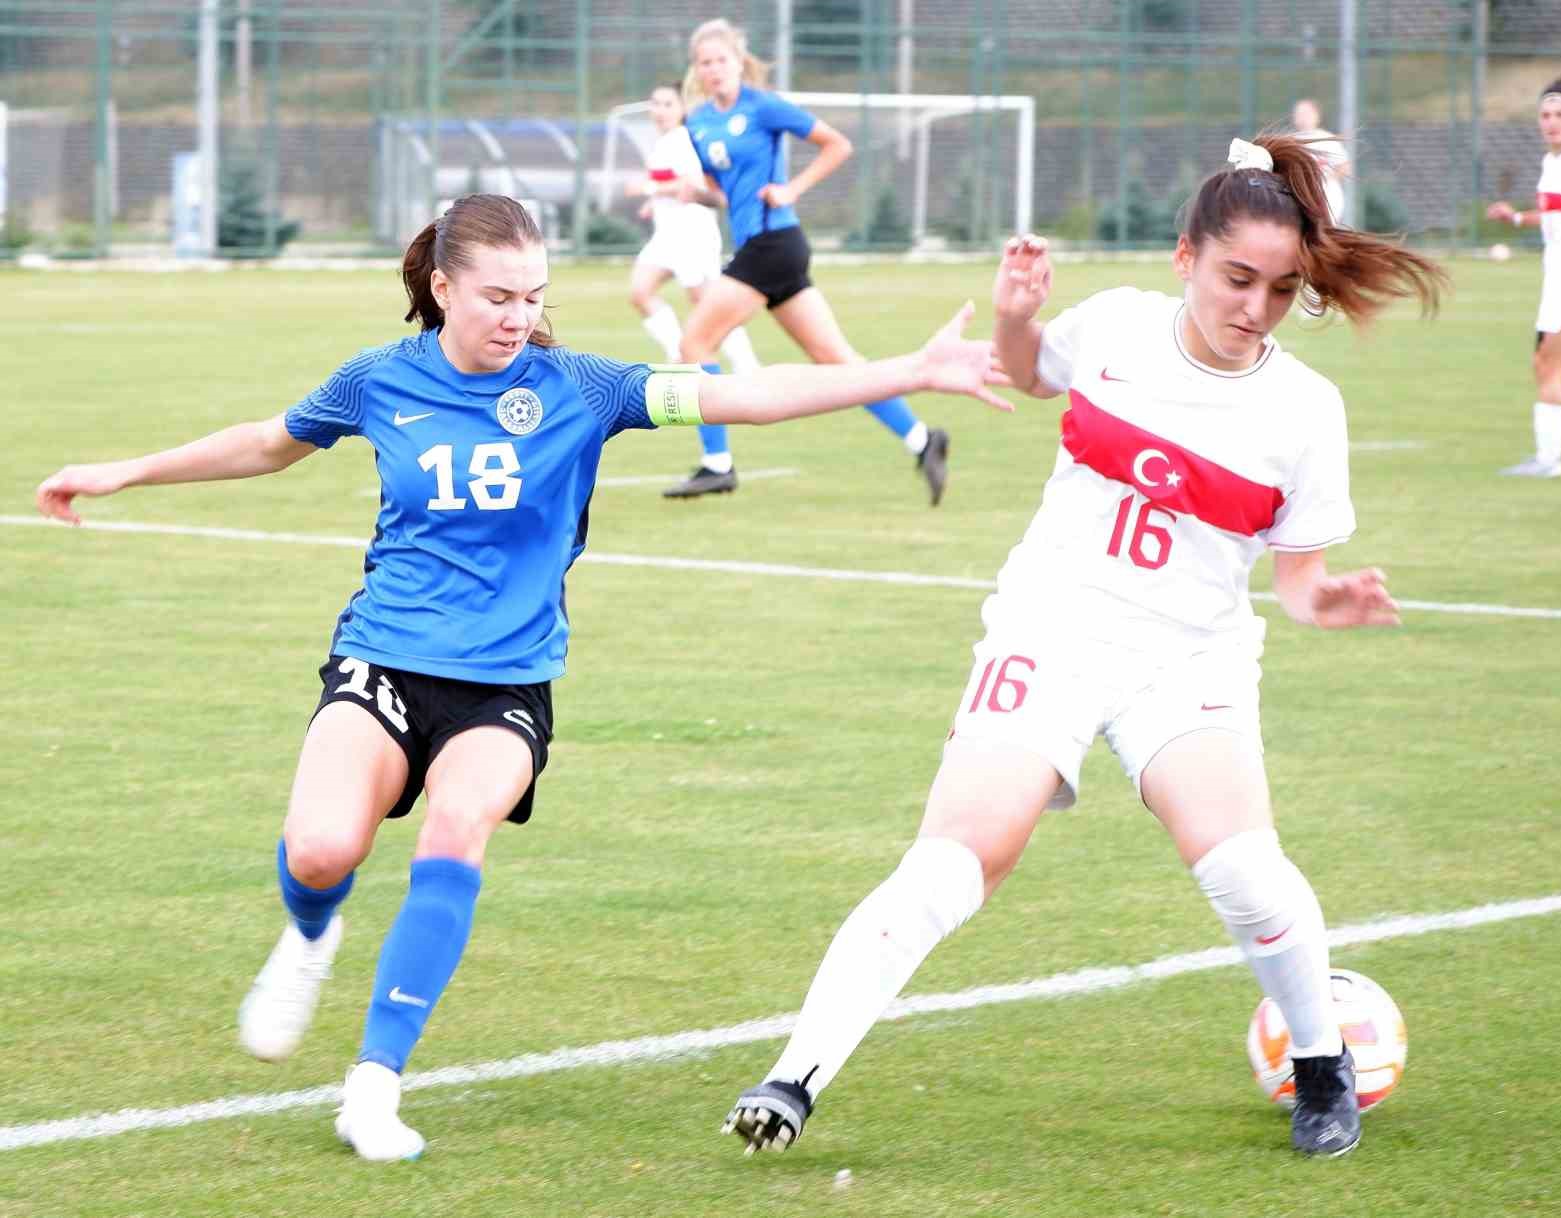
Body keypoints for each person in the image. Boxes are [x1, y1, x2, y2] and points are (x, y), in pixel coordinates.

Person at [34, 194, 1009, 1164]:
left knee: (460, 829)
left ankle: (373, 1086)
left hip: (504, 684)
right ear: (442, 286)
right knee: (324, 849)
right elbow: (266, 442)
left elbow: (734, 396)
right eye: (497, 296)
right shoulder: (380, 380)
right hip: (384, 656)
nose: (516, 317)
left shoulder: (579, 387)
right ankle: (310, 934)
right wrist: (123, 470)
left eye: (532, 297)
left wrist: (913, 370)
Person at [721, 135, 1446, 1161]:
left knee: (1245, 869)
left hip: (1186, 658)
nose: (1254, 307)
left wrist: (1328, 601)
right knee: (953, 863)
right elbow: (1025, 376)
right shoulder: (1112, 327)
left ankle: (1322, 1067)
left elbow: (1294, 586)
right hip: (1050, 628)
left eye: (1281, 291)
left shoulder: (1303, 412)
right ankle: (792, 1078)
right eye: (1236, 278)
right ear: (1183, 256)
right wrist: (1016, 317)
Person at [661, 17, 952, 503]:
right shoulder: (699, 124)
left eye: (721, 60)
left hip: (773, 245)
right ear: (696, 70)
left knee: (695, 342)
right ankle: (923, 440)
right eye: (704, 63)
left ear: (739, 62)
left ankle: (718, 464)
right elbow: (724, 194)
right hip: (768, 247)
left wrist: (792, 189)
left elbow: (837, 144)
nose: (714, 70)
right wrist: (693, 193)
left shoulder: (764, 106)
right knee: (837, 361)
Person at [1486, 72, 1561, 478]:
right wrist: (1515, 217)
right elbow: (1556, 213)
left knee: (1545, 366)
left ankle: (1548, 462)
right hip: (1558, 276)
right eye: (1546, 114)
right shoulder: (1551, 161)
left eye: (1560, 114)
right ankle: (1546, 459)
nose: (1551, 121)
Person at [626, 81, 762, 404]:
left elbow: (691, 185)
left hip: (692, 234)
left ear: (683, 108)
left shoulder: (686, 139)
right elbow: (667, 185)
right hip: (667, 236)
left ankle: (748, 366)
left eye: (667, 104)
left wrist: (647, 189)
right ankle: (679, 353)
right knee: (640, 291)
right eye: (655, 103)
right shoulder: (664, 142)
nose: (659, 111)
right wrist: (652, 201)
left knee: (707, 306)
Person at [1291, 99, 1352, 227]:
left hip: (1326, 196)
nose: (1303, 118)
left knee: (1324, 231)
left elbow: (1345, 167)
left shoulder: (1327, 140)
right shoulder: (1290, 142)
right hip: (1299, 196)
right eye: (1299, 114)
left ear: (1317, 116)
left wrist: (1325, 179)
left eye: (1307, 113)